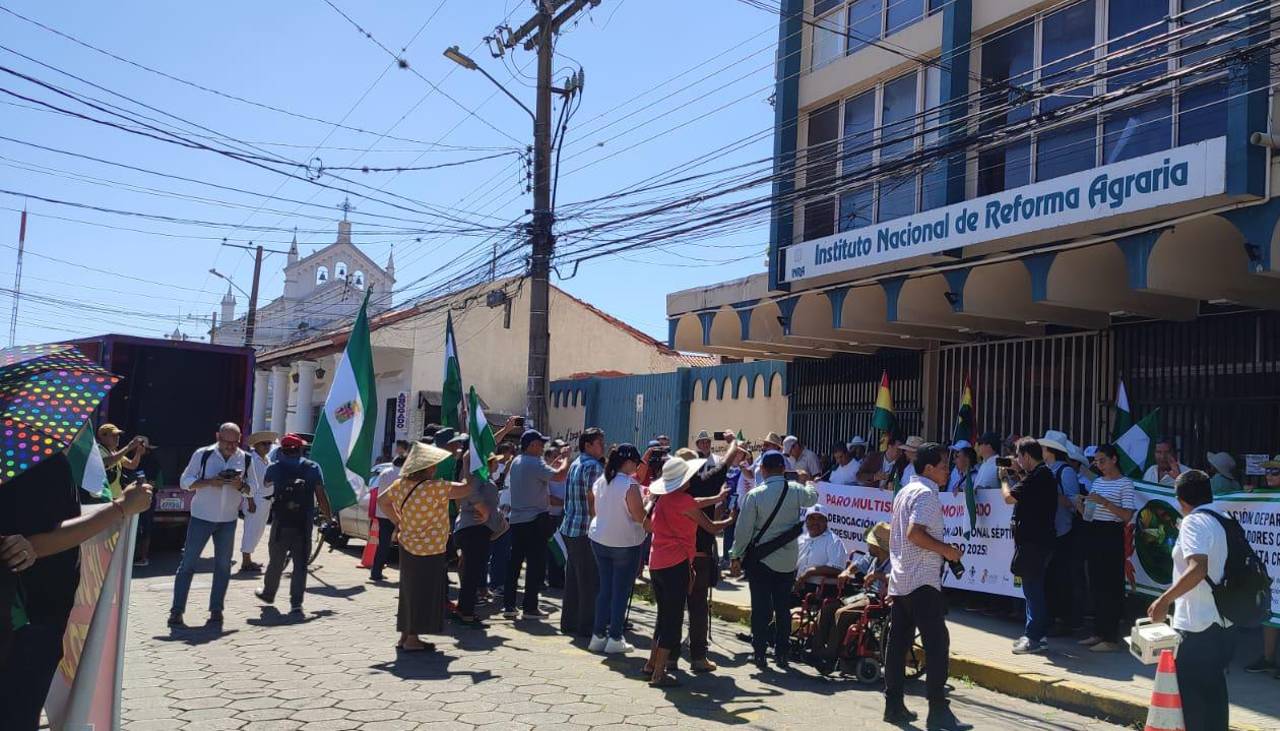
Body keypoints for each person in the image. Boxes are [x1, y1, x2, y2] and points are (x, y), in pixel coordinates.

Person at [0, 454, 152, 731]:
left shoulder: (33, 454)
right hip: (23, 617)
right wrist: (120, 509)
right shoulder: (31, 458)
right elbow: (30, 546)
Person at [883, 442, 970, 730]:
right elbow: (915, 534)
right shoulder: (926, 494)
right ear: (929, 468)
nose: (949, 470)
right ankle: (938, 711)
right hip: (922, 580)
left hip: (901, 579)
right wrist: (947, 550)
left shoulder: (905, 491)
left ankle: (893, 706)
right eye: (945, 465)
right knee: (936, 645)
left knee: (897, 646)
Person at [1146, 470, 1232, 731]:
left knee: (1192, 704)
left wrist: (1163, 600)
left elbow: (1198, 568)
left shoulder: (1194, 523)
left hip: (1196, 624)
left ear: (1181, 500)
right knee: (1215, 697)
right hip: (1222, 622)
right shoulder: (1223, 517)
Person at [643, 455, 731, 687]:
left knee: (663, 617)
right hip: (676, 564)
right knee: (672, 621)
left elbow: (695, 502)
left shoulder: (663, 499)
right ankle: (659, 674)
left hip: (656, 563)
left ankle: (651, 664)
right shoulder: (683, 502)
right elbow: (711, 526)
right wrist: (731, 519)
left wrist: (715, 498)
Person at [377, 442, 473, 653]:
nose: (436, 468)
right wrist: (469, 467)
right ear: (427, 467)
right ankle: (412, 639)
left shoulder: (400, 484)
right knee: (423, 592)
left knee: (409, 590)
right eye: (434, 465)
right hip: (431, 548)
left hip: (407, 543)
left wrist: (399, 521)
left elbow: (382, 501)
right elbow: (466, 489)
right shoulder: (435, 487)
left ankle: (405, 636)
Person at [729, 451, 819, 669]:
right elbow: (812, 497)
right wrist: (808, 482)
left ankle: (759, 653)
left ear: (763, 470)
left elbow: (743, 531)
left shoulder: (756, 495)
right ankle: (782, 654)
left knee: (760, 608)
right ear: (783, 469)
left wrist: (736, 556)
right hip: (788, 560)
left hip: (761, 560)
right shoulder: (796, 490)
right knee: (782, 608)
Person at [170, 422, 257, 629]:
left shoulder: (245, 458)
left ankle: (216, 610)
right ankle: (176, 611)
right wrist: (210, 482)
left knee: (223, 566)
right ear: (218, 436)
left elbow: (253, 489)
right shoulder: (203, 454)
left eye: (235, 443)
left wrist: (240, 485)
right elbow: (185, 481)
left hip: (228, 520)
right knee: (188, 565)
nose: (230, 447)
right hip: (201, 517)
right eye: (226, 442)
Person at [676, 435, 746, 672]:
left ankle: (667, 656)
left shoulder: (666, 490)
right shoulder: (704, 482)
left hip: (671, 556)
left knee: (672, 607)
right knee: (698, 606)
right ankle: (698, 656)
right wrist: (733, 440)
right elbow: (726, 461)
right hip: (699, 554)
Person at [255, 434, 330, 615]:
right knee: (300, 564)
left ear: (282, 450)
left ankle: (268, 593)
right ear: (300, 450)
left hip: (281, 522)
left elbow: (265, 484)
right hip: (303, 523)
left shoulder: (275, 468)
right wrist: (328, 516)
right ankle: (296, 603)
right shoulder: (312, 467)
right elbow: (320, 494)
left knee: (275, 561)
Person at [588, 444, 649, 654]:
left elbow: (593, 505)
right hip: (624, 542)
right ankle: (615, 636)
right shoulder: (629, 485)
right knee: (620, 591)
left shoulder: (602, 481)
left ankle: (598, 635)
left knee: (605, 589)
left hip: (600, 538)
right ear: (630, 462)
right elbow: (639, 516)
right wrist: (649, 506)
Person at [503, 430, 569, 620]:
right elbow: (559, 476)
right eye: (540, 444)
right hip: (534, 520)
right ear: (531, 445)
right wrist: (565, 458)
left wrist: (553, 464)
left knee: (514, 563)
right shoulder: (534, 462)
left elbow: (543, 474)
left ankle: (509, 605)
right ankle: (530, 607)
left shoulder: (517, 461)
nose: (542, 447)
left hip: (517, 520)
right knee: (535, 564)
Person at [1000, 437, 1057, 655]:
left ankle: (1036, 637)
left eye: (1018, 455)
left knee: (1033, 590)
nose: (1016, 460)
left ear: (1026, 456)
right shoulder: (1039, 475)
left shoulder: (1041, 475)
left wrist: (1004, 479)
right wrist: (1017, 474)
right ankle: (1032, 632)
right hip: (1034, 541)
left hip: (1035, 543)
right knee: (1031, 588)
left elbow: (1009, 498)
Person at [1076, 444, 1135, 652]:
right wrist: (1080, 506)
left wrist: (1105, 503)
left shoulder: (1125, 484)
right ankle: (1098, 632)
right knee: (1097, 584)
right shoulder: (1098, 482)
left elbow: (1127, 515)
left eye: (1102, 460)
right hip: (1095, 531)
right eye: (1097, 461)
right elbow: (1089, 514)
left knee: (1110, 585)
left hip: (1112, 533)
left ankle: (1110, 636)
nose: (1099, 465)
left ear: (1113, 459)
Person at [813, 522, 890, 671]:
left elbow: (896, 578)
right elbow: (857, 564)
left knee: (841, 614)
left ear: (879, 547)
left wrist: (877, 575)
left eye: (870, 543)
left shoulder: (894, 562)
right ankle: (817, 652)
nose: (868, 546)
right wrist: (847, 571)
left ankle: (830, 658)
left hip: (879, 601)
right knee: (828, 607)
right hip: (863, 594)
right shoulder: (872, 556)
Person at [454, 450, 508, 626]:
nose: (496, 465)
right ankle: (466, 612)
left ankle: (465, 608)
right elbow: (471, 493)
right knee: (471, 573)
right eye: (494, 462)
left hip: (476, 531)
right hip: (474, 531)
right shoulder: (478, 478)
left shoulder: (484, 479)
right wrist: (482, 509)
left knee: (472, 572)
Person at [560, 427, 605, 638]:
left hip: (570, 526)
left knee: (574, 579)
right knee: (589, 582)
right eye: (599, 443)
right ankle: (587, 627)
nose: (602, 447)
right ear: (588, 445)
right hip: (585, 529)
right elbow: (592, 497)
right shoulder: (594, 467)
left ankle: (569, 623)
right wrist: (597, 523)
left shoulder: (576, 463)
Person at [1040, 431, 1081, 637]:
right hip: (1048, 529)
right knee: (1048, 577)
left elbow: (1074, 504)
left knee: (1060, 576)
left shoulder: (1065, 471)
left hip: (1062, 531)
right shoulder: (1046, 469)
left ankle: (1063, 619)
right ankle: (1050, 616)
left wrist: (1051, 493)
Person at [1244, 455, 1280, 677]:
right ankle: (1268, 659)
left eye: (1275, 472)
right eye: (1268, 471)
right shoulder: (1262, 497)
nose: (1269, 475)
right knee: (1270, 610)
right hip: (1272, 566)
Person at [238, 430, 277, 575]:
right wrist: (250, 501)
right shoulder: (252, 460)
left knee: (258, 530)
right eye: (264, 444)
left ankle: (248, 559)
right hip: (255, 499)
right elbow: (246, 481)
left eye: (269, 443)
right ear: (256, 445)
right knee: (251, 530)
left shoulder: (266, 459)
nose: (267, 446)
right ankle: (245, 561)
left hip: (266, 499)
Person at [794, 506, 846, 597]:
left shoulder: (833, 541)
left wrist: (810, 572)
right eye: (812, 518)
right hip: (798, 584)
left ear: (826, 522)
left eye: (820, 519)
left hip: (822, 589)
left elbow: (838, 569)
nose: (815, 522)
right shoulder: (800, 539)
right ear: (806, 521)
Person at [370, 454, 404, 582]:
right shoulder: (403, 476)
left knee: (383, 543)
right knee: (403, 545)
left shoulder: (384, 472)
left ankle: (376, 571)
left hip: (382, 513)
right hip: (397, 513)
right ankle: (404, 575)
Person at [95, 423, 146, 499]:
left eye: (118, 435)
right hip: (103, 497)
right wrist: (129, 446)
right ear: (103, 436)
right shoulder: (98, 450)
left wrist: (138, 453)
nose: (117, 438)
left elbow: (132, 465)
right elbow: (109, 461)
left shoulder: (115, 452)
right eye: (113, 435)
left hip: (115, 496)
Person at [545, 439, 569, 590]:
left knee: (562, 549)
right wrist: (567, 503)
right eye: (554, 455)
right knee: (553, 551)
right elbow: (550, 500)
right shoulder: (546, 474)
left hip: (563, 516)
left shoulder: (563, 473)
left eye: (559, 455)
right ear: (547, 458)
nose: (558, 459)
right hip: (550, 517)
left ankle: (560, 577)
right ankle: (554, 580)